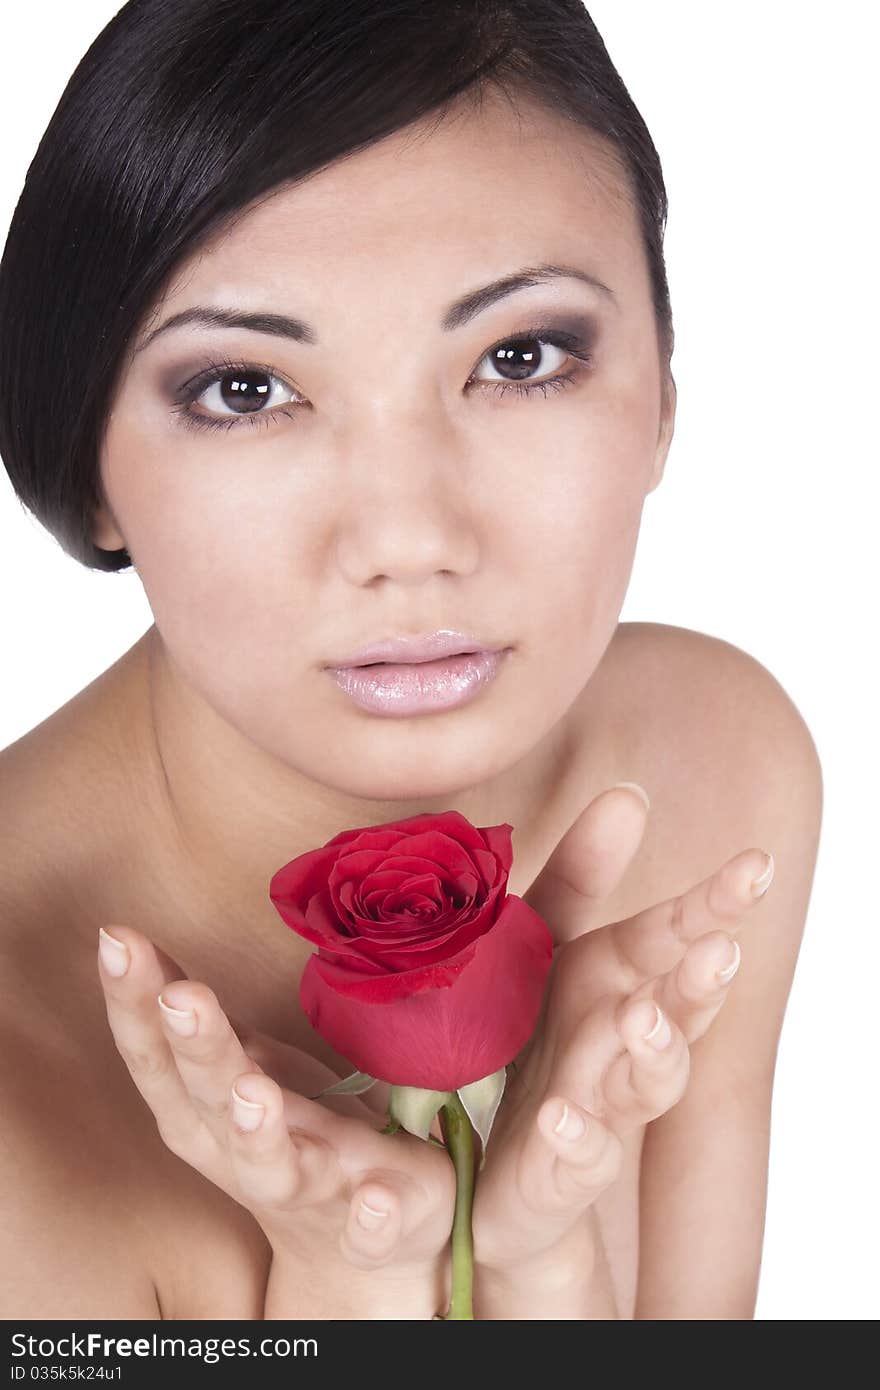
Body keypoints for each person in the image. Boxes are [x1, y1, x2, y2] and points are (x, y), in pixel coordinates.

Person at [0, 0, 822, 1321]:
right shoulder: (19, 1109)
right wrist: (347, 1287)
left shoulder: (710, 771)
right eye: (247, 389)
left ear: (665, 391)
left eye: (517, 355)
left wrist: (542, 1264)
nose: (409, 538)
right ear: (82, 455)